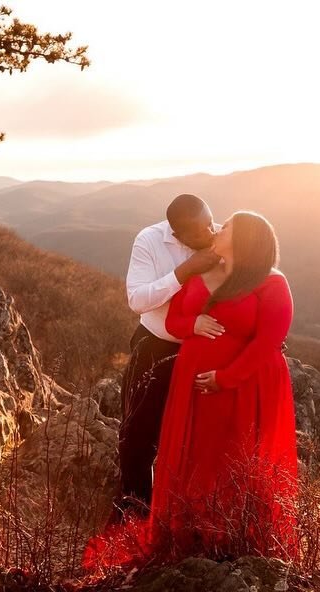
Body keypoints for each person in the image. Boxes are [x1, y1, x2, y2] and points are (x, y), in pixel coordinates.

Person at [85, 211, 299, 569]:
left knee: (232, 458)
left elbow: (269, 342)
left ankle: (233, 538)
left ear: (245, 239)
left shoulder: (271, 283)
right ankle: (190, 534)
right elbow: (172, 321)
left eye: (226, 226)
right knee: (195, 459)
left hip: (241, 388)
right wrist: (194, 323)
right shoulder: (199, 273)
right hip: (193, 389)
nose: (218, 229)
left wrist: (226, 378)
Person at [113, 194, 221, 524]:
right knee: (139, 436)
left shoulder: (220, 239)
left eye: (211, 221)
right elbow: (137, 299)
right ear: (179, 234)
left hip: (203, 350)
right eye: (202, 230)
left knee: (194, 438)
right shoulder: (149, 241)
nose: (211, 231)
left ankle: (185, 514)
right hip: (157, 347)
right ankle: (135, 514)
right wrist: (184, 271)